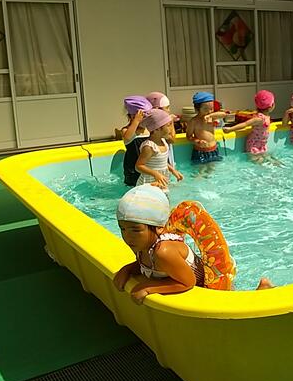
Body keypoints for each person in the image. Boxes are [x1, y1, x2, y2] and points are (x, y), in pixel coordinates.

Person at [113, 186, 271, 304]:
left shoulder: (163, 252)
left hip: (207, 289)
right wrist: (128, 269)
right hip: (193, 285)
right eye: (122, 229)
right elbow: (149, 266)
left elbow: (187, 283)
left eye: (136, 230)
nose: (127, 236)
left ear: (159, 227)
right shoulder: (141, 245)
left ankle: (263, 290)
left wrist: (147, 288)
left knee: (236, 309)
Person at [136, 109, 183, 191]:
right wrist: (155, 174)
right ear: (157, 129)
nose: (171, 129)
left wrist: (173, 170)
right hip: (149, 183)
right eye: (168, 126)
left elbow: (162, 162)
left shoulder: (163, 142)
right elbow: (139, 166)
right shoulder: (149, 147)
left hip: (161, 181)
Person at [223, 90, 276, 162]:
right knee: (259, 162)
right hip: (254, 146)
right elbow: (245, 124)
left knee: (271, 160)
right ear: (271, 106)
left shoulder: (266, 116)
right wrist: (230, 129)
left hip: (261, 144)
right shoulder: (259, 119)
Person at [187, 91, 228, 165]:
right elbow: (188, 136)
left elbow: (224, 114)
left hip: (213, 149)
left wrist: (210, 116)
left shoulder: (212, 117)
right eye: (206, 109)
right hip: (200, 151)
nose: (209, 111)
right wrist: (197, 141)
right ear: (197, 109)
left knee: (212, 168)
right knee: (200, 170)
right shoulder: (193, 122)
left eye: (211, 108)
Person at [121, 95, 151, 187]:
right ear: (132, 116)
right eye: (143, 117)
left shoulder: (148, 130)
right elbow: (127, 137)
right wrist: (136, 121)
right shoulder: (126, 130)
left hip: (147, 167)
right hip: (133, 170)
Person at [146, 91, 177, 166]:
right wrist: (171, 122)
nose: (169, 110)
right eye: (167, 107)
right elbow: (172, 139)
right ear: (157, 109)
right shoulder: (160, 126)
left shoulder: (148, 123)